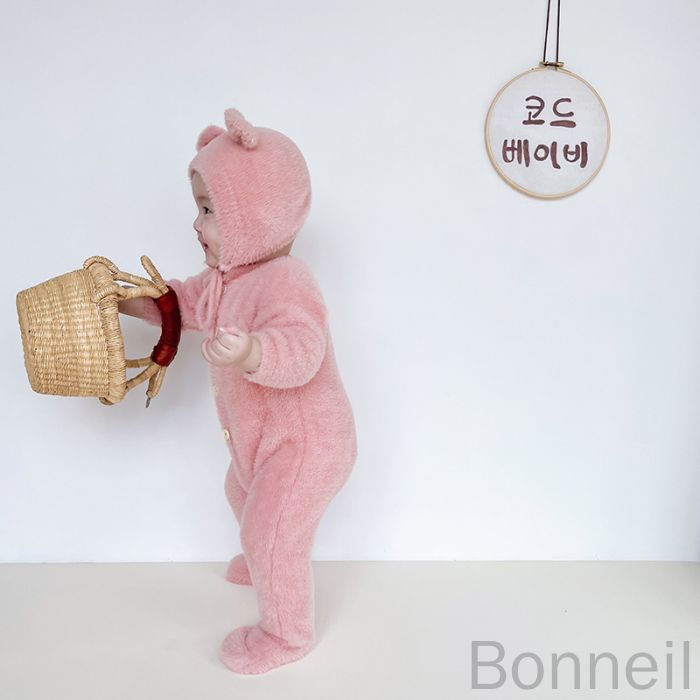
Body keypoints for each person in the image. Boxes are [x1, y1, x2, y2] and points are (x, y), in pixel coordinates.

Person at [119, 108, 357, 674]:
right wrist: (130, 301)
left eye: (209, 210)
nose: (195, 223)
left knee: (270, 529)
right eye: (197, 209)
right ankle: (262, 561)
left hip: (309, 445)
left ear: (257, 214)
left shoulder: (288, 281)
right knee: (241, 495)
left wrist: (252, 352)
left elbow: (303, 349)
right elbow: (182, 303)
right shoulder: (226, 280)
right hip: (260, 444)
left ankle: (287, 634)